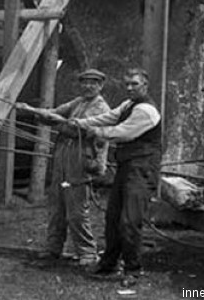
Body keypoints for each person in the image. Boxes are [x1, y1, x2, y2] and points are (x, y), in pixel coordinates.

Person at [57, 67, 161, 286]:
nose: (130, 88)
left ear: (145, 86)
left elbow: (123, 132)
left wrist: (97, 132)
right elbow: (108, 117)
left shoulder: (147, 111)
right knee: (112, 217)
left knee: (130, 221)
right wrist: (81, 123)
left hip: (142, 169)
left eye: (135, 84)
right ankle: (109, 263)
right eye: (127, 84)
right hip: (127, 167)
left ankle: (132, 270)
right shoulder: (127, 105)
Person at [16, 68, 110, 266]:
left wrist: (55, 122)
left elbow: (76, 129)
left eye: (93, 83)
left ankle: (87, 252)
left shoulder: (101, 108)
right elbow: (55, 113)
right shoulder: (78, 102)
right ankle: (53, 248)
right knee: (56, 206)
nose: (88, 86)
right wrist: (32, 110)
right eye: (84, 82)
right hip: (62, 157)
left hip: (82, 160)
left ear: (101, 86)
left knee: (76, 210)